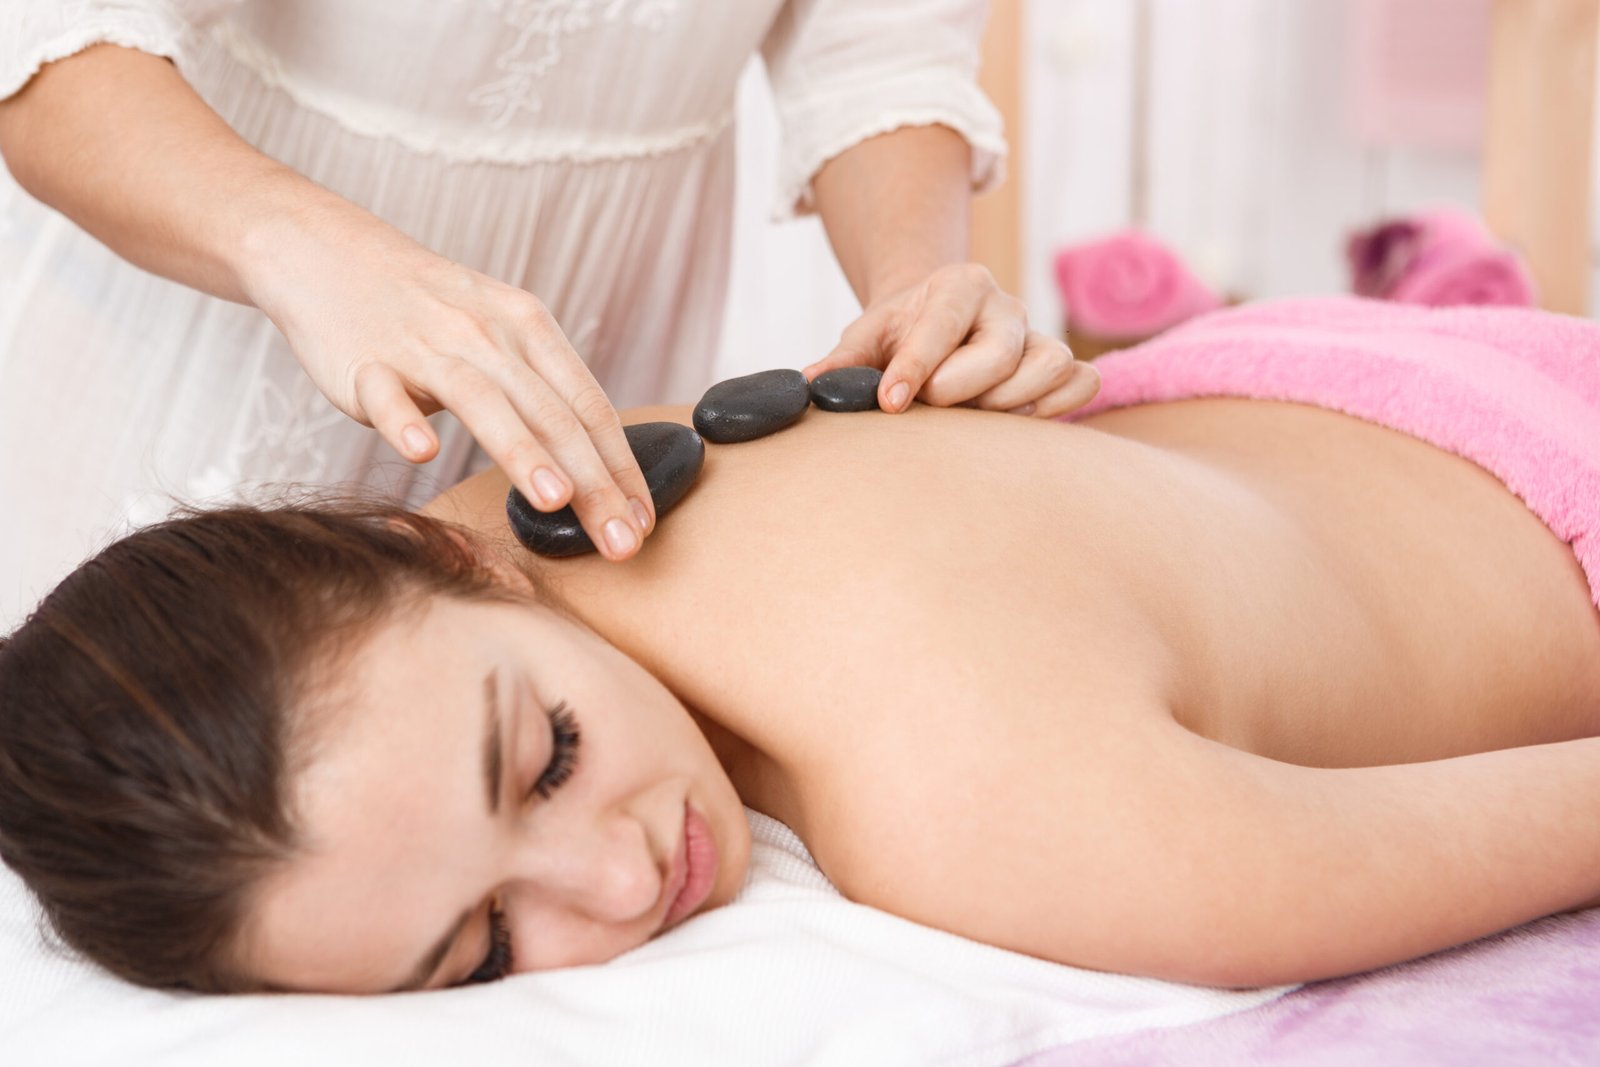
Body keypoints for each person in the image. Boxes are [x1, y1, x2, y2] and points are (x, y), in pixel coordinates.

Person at [2, 297, 1598, 995]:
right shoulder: (556, 487)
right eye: (484, 948)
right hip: (1291, 379)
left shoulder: (982, 799)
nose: (619, 881)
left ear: (437, 541)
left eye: (546, 755)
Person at [0, 0, 1077, 629]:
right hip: (192, 319)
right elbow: (51, 37)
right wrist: (308, 252)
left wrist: (912, 290)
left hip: (587, 369)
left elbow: (876, 55)